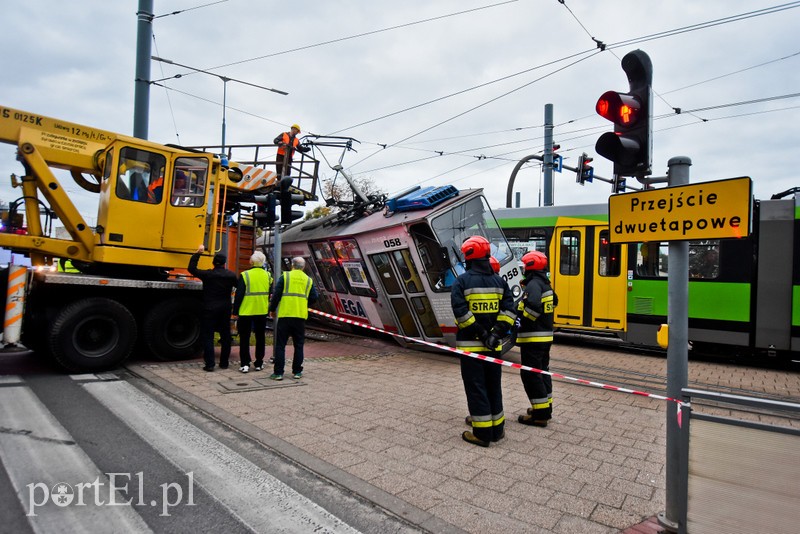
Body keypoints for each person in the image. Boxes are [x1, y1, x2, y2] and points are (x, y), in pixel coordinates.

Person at [451, 236, 516, 447]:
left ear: (468, 257)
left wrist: (481, 333)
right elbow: (509, 312)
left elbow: (462, 314)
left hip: (472, 347)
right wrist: (495, 334)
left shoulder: (461, 282)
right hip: (493, 347)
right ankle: (497, 430)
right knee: (493, 386)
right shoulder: (500, 282)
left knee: (476, 387)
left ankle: (482, 434)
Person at [515, 250, 558, 427]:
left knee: (531, 375)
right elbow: (554, 301)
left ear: (530, 266)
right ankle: (545, 408)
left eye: (525, 266)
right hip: (545, 337)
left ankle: (540, 415)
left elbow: (532, 306)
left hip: (533, 338)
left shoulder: (533, 284)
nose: (523, 269)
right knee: (542, 372)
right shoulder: (545, 284)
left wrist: (522, 321)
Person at [188, 245, 237, 372]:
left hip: (209, 308)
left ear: (213, 263)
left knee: (208, 336)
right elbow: (239, 286)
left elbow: (192, 269)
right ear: (225, 263)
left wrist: (198, 253)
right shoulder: (231, 276)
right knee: (225, 336)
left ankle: (210, 364)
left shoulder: (208, 274)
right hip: (225, 309)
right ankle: (224, 363)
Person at [268, 257, 318, 380]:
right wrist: (303, 303)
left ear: (292, 265)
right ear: (304, 266)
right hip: (300, 316)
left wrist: (272, 310)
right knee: (299, 345)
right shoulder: (308, 280)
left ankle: (278, 373)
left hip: (285, 316)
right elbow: (314, 297)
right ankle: (297, 372)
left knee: (280, 345)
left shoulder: (285, 277)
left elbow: (276, 295)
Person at [232, 251, 273, 373]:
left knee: (244, 338)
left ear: (251, 262)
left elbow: (239, 296)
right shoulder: (268, 276)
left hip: (246, 311)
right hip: (261, 311)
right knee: (260, 337)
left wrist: (235, 311)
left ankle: (245, 364)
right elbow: (269, 293)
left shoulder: (245, 275)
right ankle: (259, 363)